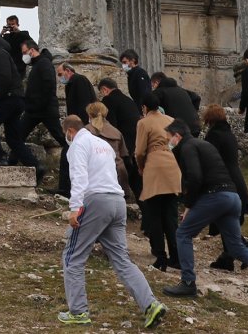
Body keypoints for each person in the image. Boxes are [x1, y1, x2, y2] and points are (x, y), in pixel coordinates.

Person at [57, 115, 168, 329]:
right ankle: (150, 304)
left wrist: (74, 208)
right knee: (121, 259)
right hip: (117, 201)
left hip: (96, 200)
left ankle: (78, 312)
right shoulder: (103, 144)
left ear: (70, 131)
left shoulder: (78, 145)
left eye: (66, 135)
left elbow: (79, 176)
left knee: (73, 256)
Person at [160, 122, 248, 307]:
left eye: (168, 138)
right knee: (236, 246)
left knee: (183, 233)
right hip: (232, 197)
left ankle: (188, 282)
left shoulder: (187, 147)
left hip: (215, 197)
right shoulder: (204, 145)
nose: (168, 143)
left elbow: (195, 177)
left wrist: (188, 204)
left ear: (177, 136)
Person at [200, 104, 248, 272]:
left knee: (225, 221)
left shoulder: (214, 135)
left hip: (224, 181)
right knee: (227, 222)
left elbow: (207, 157)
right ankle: (228, 257)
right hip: (235, 178)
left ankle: (245, 251)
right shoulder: (229, 133)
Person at [134, 93, 182, 273]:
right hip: (172, 166)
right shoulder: (171, 119)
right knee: (171, 217)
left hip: (154, 166)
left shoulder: (143, 122)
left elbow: (139, 151)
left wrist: (140, 167)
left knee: (154, 215)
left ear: (144, 107)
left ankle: (160, 257)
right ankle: (176, 257)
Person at [0, 29, 36, 171]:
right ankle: (35, 166)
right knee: (13, 138)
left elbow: (5, 78)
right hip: (15, 99)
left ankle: (0, 157)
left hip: (9, 98)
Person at [17, 39, 68, 188]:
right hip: (34, 110)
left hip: (44, 110)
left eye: (25, 52)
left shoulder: (44, 64)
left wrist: (37, 105)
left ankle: (74, 156)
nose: (24, 56)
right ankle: (20, 164)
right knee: (16, 137)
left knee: (61, 138)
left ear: (32, 51)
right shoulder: (37, 65)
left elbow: (49, 87)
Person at [97, 78, 143, 194]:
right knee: (136, 182)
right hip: (134, 143)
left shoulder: (108, 100)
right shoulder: (129, 100)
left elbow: (110, 127)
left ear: (104, 89)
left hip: (122, 145)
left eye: (101, 92)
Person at [84, 101, 133, 198]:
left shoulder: (86, 131)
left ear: (89, 114)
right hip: (118, 174)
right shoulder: (116, 132)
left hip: (96, 176)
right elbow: (125, 157)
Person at [148, 73, 201, 137]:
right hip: (195, 126)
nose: (153, 88)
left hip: (178, 129)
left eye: (152, 85)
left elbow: (150, 104)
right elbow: (197, 98)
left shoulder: (159, 92)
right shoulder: (181, 90)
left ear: (156, 82)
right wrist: (194, 111)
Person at [1, 14, 34, 79]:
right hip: (8, 66)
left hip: (19, 66)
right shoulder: (6, 37)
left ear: (17, 25)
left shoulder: (23, 34)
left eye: (13, 24)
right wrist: (1, 33)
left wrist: (18, 32)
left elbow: (31, 43)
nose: (11, 26)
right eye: (9, 25)